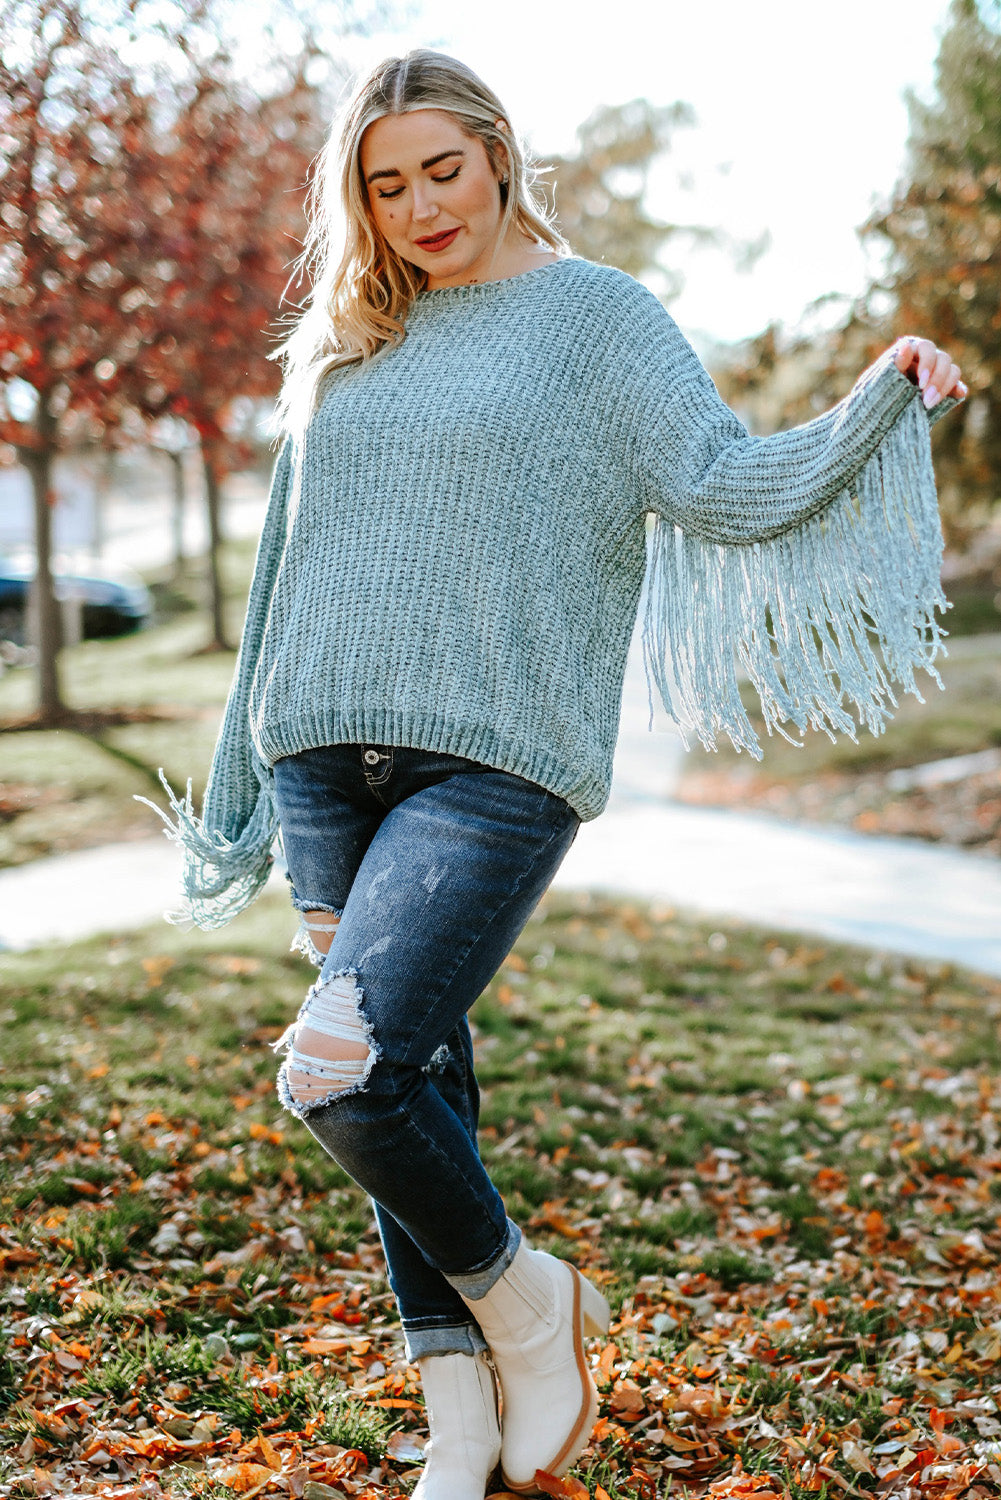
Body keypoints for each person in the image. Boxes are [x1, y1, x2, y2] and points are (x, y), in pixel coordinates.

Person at [147, 48, 966, 1500]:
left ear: (499, 152)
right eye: (383, 185)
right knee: (411, 1077)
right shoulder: (352, 332)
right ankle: (458, 1419)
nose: (417, 208)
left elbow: (717, 480)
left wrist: (871, 405)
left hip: (494, 758)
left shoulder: (595, 319)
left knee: (337, 1072)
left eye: (440, 171)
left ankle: (530, 1307)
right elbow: (285, 563)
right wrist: (244, 769)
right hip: (323, 758)